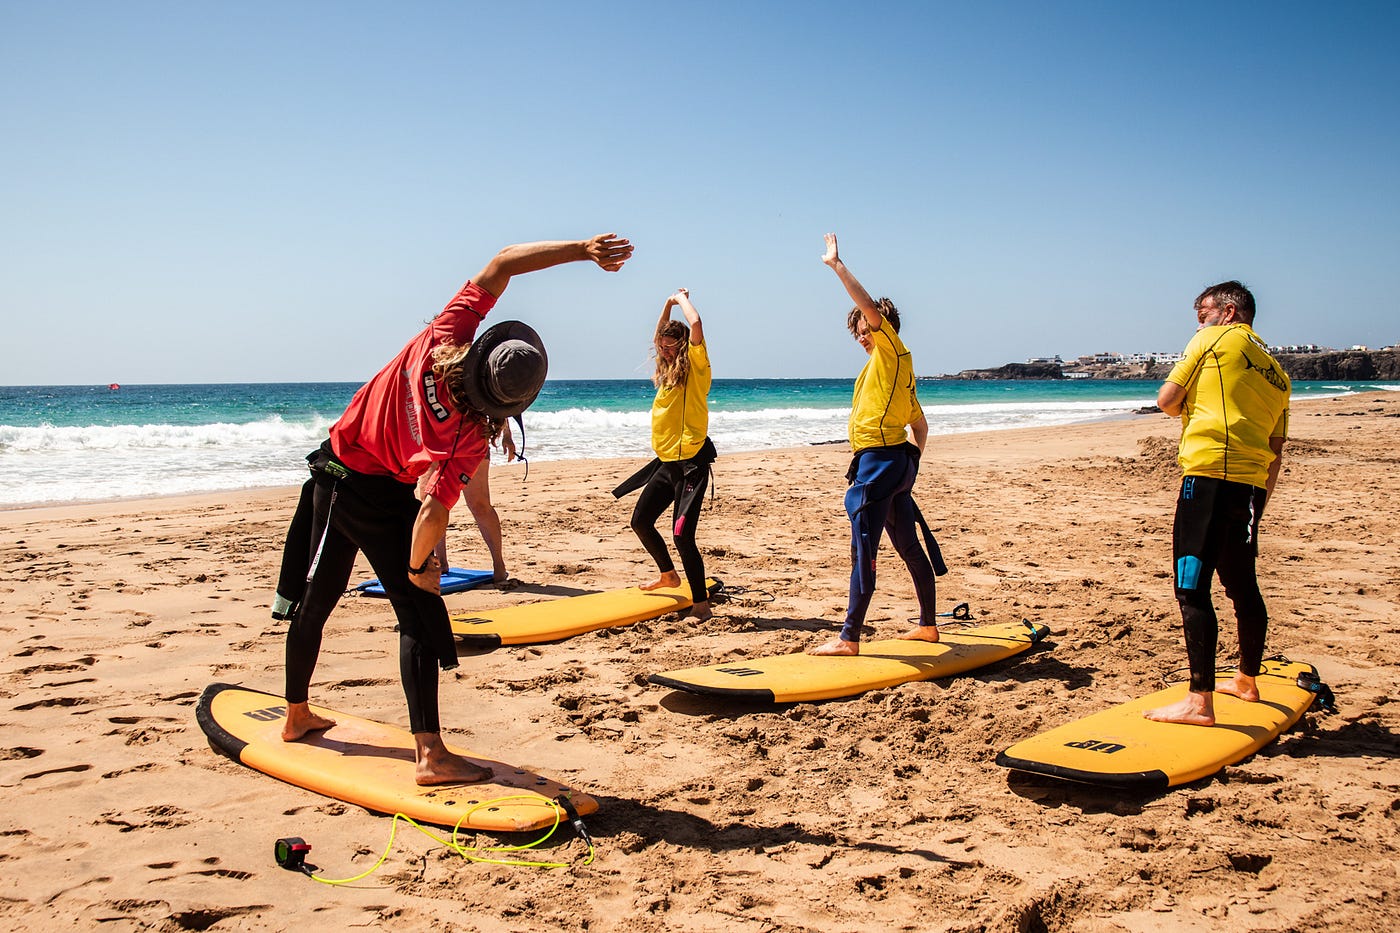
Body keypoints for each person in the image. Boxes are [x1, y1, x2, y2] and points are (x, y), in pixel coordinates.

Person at [271, 233, 633, 784]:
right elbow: (434, 513)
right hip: (377, 495)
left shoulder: (446, 332)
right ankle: (431, 756)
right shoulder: (468, 437)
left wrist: (585, 249)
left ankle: (296, 715)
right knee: (417, 612)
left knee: (318, 598)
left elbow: (505, 261)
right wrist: (421, 569)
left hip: (331, 476)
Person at [1145, 281, 1291, 726]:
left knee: (1191, 588)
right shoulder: (1277, 373)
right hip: (1249, 488)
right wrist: (1257, 505)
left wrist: (1188, 406)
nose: (1197, 318)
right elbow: (1276, 448)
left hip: (1207, 478)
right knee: (1242, 584)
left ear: (1228, 311)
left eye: (1202, 309)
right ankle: (1247, 680)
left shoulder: (1212, 339)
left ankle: (1199, 702)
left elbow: (1166, 400)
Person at [809, 233, 945, 657]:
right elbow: (920, 423)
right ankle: (927, 626)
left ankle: (849, 637)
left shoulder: (891, 352)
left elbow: (868, 308)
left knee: (862, 548)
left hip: (880, 464)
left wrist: (837, 265)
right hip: (894, 463)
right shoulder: (896, 369)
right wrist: (912, 466)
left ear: (877, 325)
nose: (860, 337)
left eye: (862, 330)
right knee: (907, 544)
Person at [612, 288, 715, 621]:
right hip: (666, 463)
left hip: (691, 466)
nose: (664, 348)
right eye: (661, 345)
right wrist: (666, 305)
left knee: (682, 535)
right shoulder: (666, 369)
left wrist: (680, 299)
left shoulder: (697, 369)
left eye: (670, 345)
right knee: (640, 521)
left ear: (682, 346)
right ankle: (668, 576)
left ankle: (701, 605)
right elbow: (660, 332)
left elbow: (696, 322)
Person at [417, 419, 516, 583]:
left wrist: (507, 434)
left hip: (472, 438)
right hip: (433, 439)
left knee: (480, 505)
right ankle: (440, 562)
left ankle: (499, 566)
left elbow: (494, 398)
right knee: (429, 504)